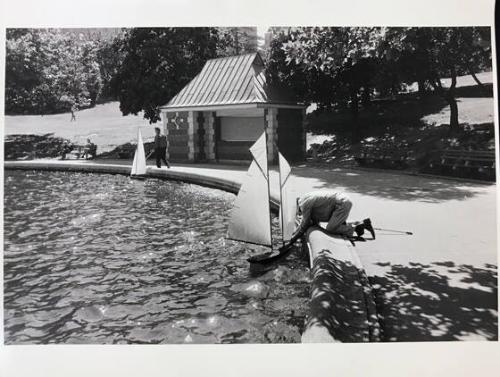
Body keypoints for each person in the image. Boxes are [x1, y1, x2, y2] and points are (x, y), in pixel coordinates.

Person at [279, 190, 375, 253]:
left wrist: (291, 240)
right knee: (335, 224)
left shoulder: (304, 204)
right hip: (342, 200)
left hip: (342, 203)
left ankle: (358, 227)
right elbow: (313, 220)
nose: (299, 215)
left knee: (331, 228)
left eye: (297, 213)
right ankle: (362, 223)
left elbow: (305, 224)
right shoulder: (305, 198)